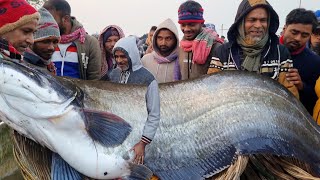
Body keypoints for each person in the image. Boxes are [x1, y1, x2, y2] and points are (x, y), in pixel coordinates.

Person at [207, 0, 299, 99]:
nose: (258, 25)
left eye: (263, 20)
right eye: (252, 20)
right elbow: (212, 90)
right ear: (241, 22)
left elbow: (290, 96)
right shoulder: (223, 52)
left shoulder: (281, 53)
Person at [109, 36, 160, 165]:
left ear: (132, 55)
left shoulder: (147, 79)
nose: (119, 60)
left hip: (138, 139)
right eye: (117, 56)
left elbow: (154, 114)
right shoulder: (113, 75)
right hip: (116, 137)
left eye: (123, 56)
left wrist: (143, 143)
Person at [43, 0, 101, 80]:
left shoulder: (90, 43)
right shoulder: (42, 40)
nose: (47, 23)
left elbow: (94, 79)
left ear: (65, 19)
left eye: (51, 19)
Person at [281, 8, 320, 115]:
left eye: (304, 35)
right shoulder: (267, 51)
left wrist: (301, 86)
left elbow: (315, 100)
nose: (298, 38)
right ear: (285, 28)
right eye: (294, 32)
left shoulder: (315, 62)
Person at [178, 0, 221, 80]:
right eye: (183, 25)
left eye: (191, 24)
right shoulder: (181, 47)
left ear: (201, 23)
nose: (186, 29)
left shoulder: (216, 47)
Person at [141, 18, 180, 83]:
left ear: (175, 40)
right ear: (155, 39)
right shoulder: (145, 60)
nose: (163, 43)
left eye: (168, 38)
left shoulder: (181, 62)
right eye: (160, 38)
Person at [24, 7, 60, 75]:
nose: (51, 47)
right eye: (45, 41)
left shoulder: (50, 67)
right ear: (32, 41)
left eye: (55, 42)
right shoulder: (22, 66)